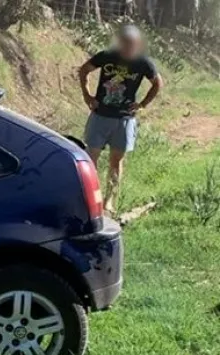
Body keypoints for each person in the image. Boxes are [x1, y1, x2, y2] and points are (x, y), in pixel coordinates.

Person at [77, 24, 164, 215]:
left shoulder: (143, 63)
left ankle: (109, 201)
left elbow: (158, 83)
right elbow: (83, 70)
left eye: (132, 44)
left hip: (124, 120)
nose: (127, 47)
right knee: (90, 159)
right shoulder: (107, 56)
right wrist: (87, 96)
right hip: (100, 116)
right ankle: (88, 199)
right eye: (125, 43)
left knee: (116, 161)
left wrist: (142, 104)